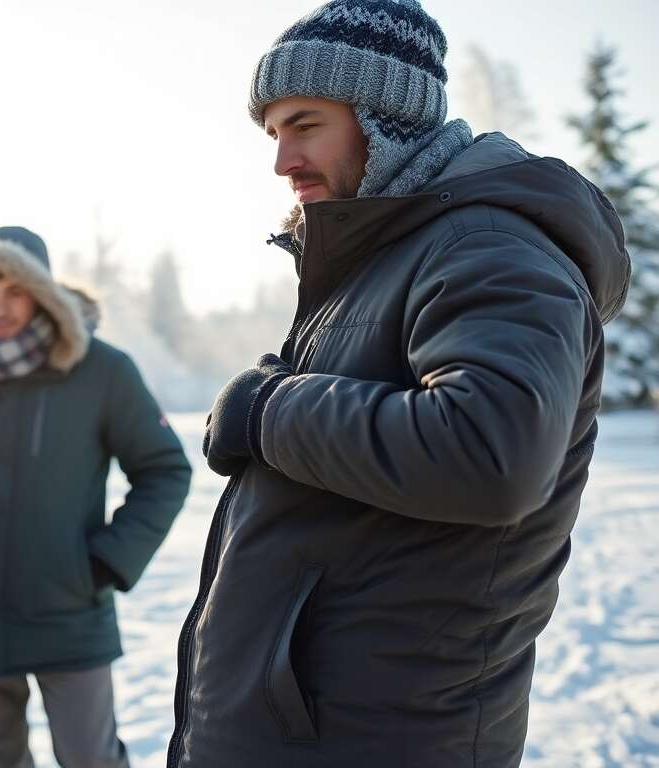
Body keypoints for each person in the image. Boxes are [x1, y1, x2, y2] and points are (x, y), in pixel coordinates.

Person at [170, 2, 633, 766]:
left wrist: (267, 410)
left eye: (306, 124)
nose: (282, 160)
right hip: (312, 727)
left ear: (386, 117)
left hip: (375, 735)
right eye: (273, 132)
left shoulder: (487, 245)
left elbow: (490, 452)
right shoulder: (386, 256)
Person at [0, 226, 191, 767]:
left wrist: (104, 562)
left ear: (43, 293)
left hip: (68, 614)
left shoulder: (100, 369)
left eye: (14, 292)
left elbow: (164, 469)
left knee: (90, 759)